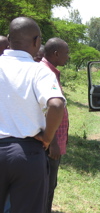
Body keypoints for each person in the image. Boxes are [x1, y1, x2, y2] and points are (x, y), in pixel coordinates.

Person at [0, 17, 65, 213]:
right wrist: (47, 137)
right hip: (27, 154)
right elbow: (56, 104)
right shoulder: (39, 71)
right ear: (37, 42)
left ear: (10, 39)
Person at [41, 37, 70, 213]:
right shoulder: (44, 72)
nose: (68, 57)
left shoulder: (51, 72)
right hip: (49, 145)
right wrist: (52, 142)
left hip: (54, 142)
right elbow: (42, 110)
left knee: (51, 185)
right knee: (47, 187)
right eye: (66, 53)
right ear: (56, 53)